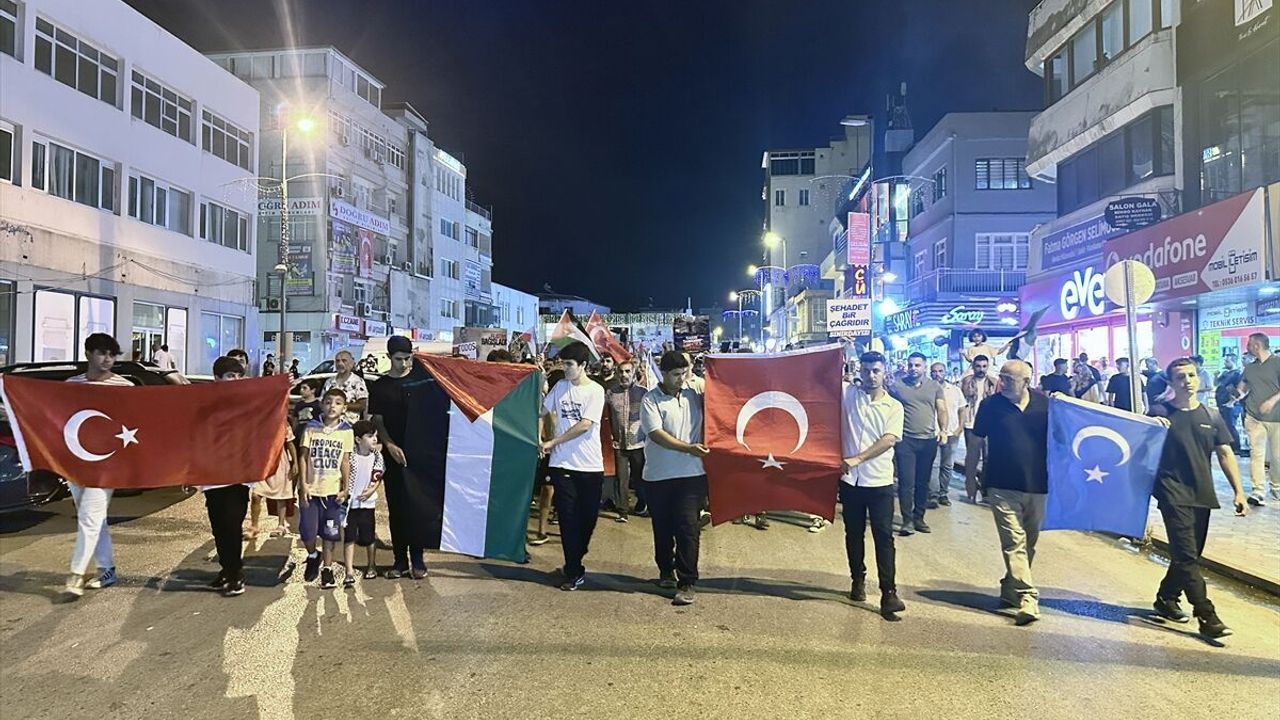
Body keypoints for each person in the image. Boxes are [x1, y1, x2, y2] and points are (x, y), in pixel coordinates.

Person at [1147, 358, 1247, 639]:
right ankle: (1206, 615)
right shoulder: (1159, 412)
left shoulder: (1211, 415)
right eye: (1180, 377)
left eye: (1191, 375)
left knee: (1189, 556)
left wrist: (1239, 491)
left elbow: (1225, 453)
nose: (1187, 381)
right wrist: (1151, 426)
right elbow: (1138, 444)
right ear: (1171, 383)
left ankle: (1166, 598)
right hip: (1171, 491)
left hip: (1202, 492)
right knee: (1187, 555)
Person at [57, 333, 133, 603]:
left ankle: (76, 575)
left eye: (112, 354)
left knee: (90, 516)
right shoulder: (71, 385)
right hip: (77, 462)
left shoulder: (123, 386)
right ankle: (107, 568)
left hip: (107, 464)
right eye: (102, 353)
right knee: (91, 518)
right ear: (88, 353)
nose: (108, 359)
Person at [974, 359, 1050, 627]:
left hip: (1038, 485)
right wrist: (973, 476)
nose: (1001, 383)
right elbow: (976, 441)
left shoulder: (1046, 405)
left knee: (1028, 543)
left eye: (1008, 379)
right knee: (1014, 541)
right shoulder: (990, 406)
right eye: (1001, 377)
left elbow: (1076, 427)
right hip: (1001, 485)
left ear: (1026, 382)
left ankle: (1010, 587)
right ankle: (1028, 596)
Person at [639, 351, 710, 606]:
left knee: (688, 528)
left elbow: (723, 390)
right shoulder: (651, 399)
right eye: (676, 375)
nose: (681, 379)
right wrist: (687, 448)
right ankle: (665, 570)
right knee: (663, 528)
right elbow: (656, 434)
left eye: (684, 373)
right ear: (664, 374)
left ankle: (688, 580)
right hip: (658, 476)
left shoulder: (696, 390)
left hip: (692, 474)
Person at [840, 351, 907, 618]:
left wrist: (857, 458)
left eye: (876, 371)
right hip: (849, 481)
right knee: (853, 534)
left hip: (878, 480)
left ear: (884, 372)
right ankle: (857, 579)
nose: (870, 376)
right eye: (866, 370)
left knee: (883, 537)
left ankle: (888, 593)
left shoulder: (893, 407)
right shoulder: (849, 395)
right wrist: (846, 347)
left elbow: (889, 439)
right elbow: (820, 374)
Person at [539, 341, 606, 591]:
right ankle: (573, 569)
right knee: (567, 518)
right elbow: (541, 411)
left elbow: (586, 424)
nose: (565, 368)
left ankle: (577, 554)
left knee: (587, 519)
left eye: (569, 364)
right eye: (563, 363)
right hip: (561, 464)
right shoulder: (560, 387)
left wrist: (553, 440)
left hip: (589, 466)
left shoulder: (596, 391)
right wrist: (539, 436)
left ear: (583, 365)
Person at [368, 336, 432, 578]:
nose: (404, 364)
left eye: (408, 358)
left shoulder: (421, 382)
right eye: (398, 359)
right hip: (392, 454)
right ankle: (399, 560)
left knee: (416, 506)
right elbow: (378, 419)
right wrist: (390, 445)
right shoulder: (381, 386)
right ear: (389, 358)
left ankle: (418, 559)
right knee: (396, 508)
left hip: (418, 454)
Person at [199, 356, 256, 597]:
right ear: (217, 379)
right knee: (219, 526)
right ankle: (226, 568)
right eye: (230, 376)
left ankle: (235, 574)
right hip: (212, 475)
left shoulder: (248, 403)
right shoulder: (205, 405)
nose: (236, 380)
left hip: (239, 474)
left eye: (238, 375)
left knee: (233, 523)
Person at [299, 388, 353, 589]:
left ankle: (327, 569)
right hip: (312, 490)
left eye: (338, 403)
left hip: (332, 492)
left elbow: (345, 461)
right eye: (328, 402)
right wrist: (303, 485)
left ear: (344, 408)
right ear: (322, 404)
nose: (332, 406)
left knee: (330, 533)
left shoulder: (346, 431)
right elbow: (303, 457)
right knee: (308, 532)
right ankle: (313, 554)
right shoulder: (312, 428)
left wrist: (345, 488)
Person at [888, 353, 946, 535]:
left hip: (928, 441)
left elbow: (941, 408)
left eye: (918, 365)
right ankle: (907, 521)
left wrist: (943, 430)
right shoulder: (898, 386)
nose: (914, 369)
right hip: (905, 440)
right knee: (906, 482)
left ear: (924, 366)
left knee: (923, 482)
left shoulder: (934, 386)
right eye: (911, 365)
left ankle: (919, 518)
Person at [605, 359, 648, 523]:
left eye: (627, 371)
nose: (624, 375)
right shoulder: (611, 393)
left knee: (640, 477)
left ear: (633, 373)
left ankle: (642, 504)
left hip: (639, 443)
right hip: (619, 444)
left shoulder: (644, 393)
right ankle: (622, 510)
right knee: (621, 478)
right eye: (621, 372)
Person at [1240, 333, 1280, 505]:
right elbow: (1243, 388)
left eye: (1249, 344)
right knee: (1257, 454)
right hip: (1254, 417)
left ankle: (1276, 485)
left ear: (1257, 345)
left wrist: (1272, 401)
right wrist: (1234, 396)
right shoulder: (1249, 368)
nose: (1247, 347)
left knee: (1277, 457)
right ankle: (1258, 491)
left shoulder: (1277, 363)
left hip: (1276, 418)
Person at [343, 420, 384, 586]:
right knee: (349, 537)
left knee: (369, 536)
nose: (374, 439)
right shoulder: (350, 455)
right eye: (369, 436)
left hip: (368, 503)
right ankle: (349, 570)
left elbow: (378, 476)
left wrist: (372, 490)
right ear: (358, 439)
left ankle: (371, 565)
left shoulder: (377, 457)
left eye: (375, 436)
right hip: (351, 503)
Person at [960, 354, 998, 503]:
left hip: (990, 425)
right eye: (978, 366)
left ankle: (986, 490)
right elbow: (961, 402)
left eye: (984, 366)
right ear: (973, 367)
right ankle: (971, 487)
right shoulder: (966, 382)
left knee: (988, 458)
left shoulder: (994, 383)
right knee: (972, 458)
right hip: (971, 424)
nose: (981, 369)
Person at [930, 361, 963, 507]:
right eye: (934, 371)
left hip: (951, 434)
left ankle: (943, 493)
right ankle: (933, 495)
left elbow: (963, 409)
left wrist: (959, 428)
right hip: (933, 433)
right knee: (934, 465)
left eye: (940, 371)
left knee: (947, 465)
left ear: (945, 372)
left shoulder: (955, 390)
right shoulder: (927, 389)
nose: (937, 374)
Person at [323, 350, 369, 423]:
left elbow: (362, 406)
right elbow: (322, 402)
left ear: (351, 363)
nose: (340, 363)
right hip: (330, 425)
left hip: (350, 426)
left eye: (344, 361)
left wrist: (341, 405)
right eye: (337, 361)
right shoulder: (329, 382)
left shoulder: (358, 382)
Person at [1215, 356, 1244, 454]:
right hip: (1221, 402)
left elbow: (1239, 390)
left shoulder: (1237, 374)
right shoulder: (1225, 373)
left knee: (1231, 426)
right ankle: (1229, 445)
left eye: (1227, 361)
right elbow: (1217, 383)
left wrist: (1232, 401)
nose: (1225, 363)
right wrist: (1216, 375)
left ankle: (1236, 447)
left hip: (1231, 404)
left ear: (1233, 362)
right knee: (1225, 426)